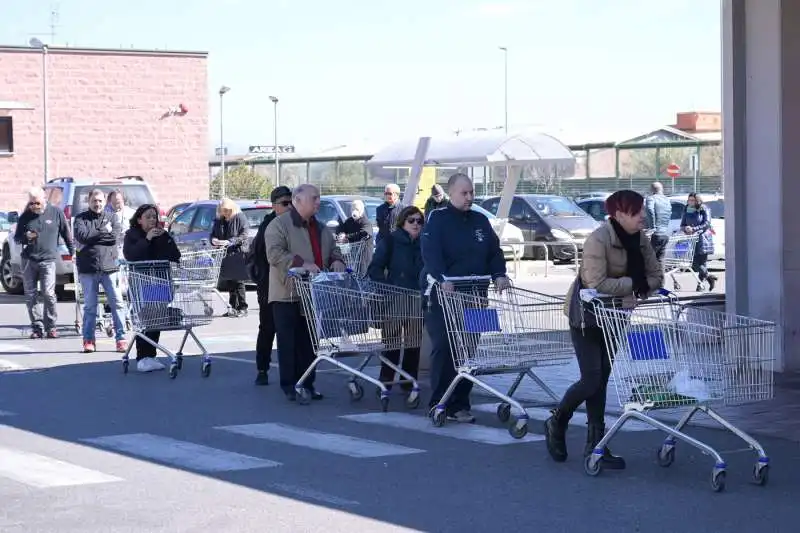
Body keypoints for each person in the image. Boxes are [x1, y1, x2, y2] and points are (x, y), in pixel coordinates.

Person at [545, 189, 664, 469]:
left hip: (615, 316)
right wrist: (634, 287)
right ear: (619, 215)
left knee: (602, 380)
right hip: (586, 315)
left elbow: (656, 275)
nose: (642, 217)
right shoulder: (598, 239)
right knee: (591, 379)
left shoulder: (641, 240)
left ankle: (596, 445)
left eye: (642, 211)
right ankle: (557, 420)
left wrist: (638, 288)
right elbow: (595, 282)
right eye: (636, 213)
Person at [421, 173, 511, 423]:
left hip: (476, 295)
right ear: (451, 193)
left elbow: (494, 251)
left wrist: (499, 275)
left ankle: (460, 402)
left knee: (469, 349)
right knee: (446, 348)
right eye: (464, 193)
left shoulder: (481, 220)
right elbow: (430, 253)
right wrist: (442, 278)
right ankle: (440, 402)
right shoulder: (437, 219)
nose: (469, 197)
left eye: (471, 192)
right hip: (444, 296)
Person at [264, 184, 347, 401]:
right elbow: (274, 254)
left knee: (309, 342)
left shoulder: (320, 228)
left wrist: (337, 260)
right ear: (297, 200)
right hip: (287, 293)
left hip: (314, 293)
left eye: (319, 198)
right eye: (315, 198)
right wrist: (302, 264)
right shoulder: (278, 225)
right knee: (288, 342)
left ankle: (308, 383)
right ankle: (290, 385)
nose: (319, 202)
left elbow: (333, 250)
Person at [367, 205, 425, 394]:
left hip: (416, 298)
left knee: (413, 344)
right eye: (411, 220)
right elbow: (375, 267)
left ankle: (409, 384)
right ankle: (386, 381)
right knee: (391, 344)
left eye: (419, 221)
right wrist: (386, 286)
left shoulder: (425, 243)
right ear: (402, 222)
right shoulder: (391, 241)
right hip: (394, 298)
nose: (416, 224)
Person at [122, 204, 181, 372]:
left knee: (157, 318)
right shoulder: (131, 235)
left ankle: (151, 355)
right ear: (139, 219)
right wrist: (147, 239)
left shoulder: (161, 234)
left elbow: (175, 255)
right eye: (148, 216)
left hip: (160, 281)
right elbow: (131, 255)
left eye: (154, 217)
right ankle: (142, 357)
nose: (152, 220)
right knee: (145, 318)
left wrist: (166, 238)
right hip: (142, 284)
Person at [13, 187, 74, 339]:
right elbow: (17, 238)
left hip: (48, 259)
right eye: (32, 203)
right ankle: (37, 326)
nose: (34, 206)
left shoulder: (56, 213)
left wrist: (73, 252)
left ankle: (51, 326)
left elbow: (66, 233)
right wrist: (25, 237)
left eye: (37, 203)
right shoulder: (26, 216)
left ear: (44, 199)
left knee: (48, 293)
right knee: (31, 295)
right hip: (29, 259)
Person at [248, 185, 293, 386]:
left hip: (290, 283)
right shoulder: (269, 226)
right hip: (268, 283)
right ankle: (262, 369)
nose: (289, 206)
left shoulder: (294, 223)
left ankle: (293, 372)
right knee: (268, 326)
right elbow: (267, 256)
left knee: (290, 329)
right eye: (285, 203)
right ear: (275, 206)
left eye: (292, 202)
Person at [73, 188, 128, 353]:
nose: (97, 204)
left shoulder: (112, 217)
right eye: (94, 201)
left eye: (100, 201)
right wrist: (103, 231)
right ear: (89, 202)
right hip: (88, 269)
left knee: (117, 303)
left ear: (105, 202)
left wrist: (93, 235)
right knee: (90, 306)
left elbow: (114, 238)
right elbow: (82, 236)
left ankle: (121, 339)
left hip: (110, 268)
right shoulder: (80, 219)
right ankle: (88, 340)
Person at [210, 198, 250, 317]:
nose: (225, 213)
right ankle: (232, 307)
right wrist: (213, 240)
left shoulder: (240, 217)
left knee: (238, 281)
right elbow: (213, 233)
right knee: (230, 281)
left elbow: (244, 234)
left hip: (237, 253)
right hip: (225, 254)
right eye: (223, 211)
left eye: (227, 210)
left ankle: (243, 307)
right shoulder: (219, 220)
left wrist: (230, 241)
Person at [680, 192, 718, 291]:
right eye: (689, 200)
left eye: (692, 200)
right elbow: (682, 224)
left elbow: (706, 223)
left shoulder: (704, 208)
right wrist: (686, 228)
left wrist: (694, 229)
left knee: (702, 262)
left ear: (697, 201)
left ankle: (700, 285)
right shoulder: (686, 209)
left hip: (703, 239)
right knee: (693, 262)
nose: (690, 202)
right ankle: (709, 277)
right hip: (691, 239)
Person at [335, 199, 374, 273]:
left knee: (362, 274)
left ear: (361, 210)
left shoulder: (365, 222)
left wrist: (347, 236)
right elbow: (340, 229)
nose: (354, 211)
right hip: (351, 255)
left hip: (363, 256)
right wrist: (340, 235)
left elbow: (364, 233)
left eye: (356, 209)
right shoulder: (349, 221)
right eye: (352, 209)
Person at [644, 181, 672, 261]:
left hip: (656, 234)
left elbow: (649, 209)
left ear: (651, 190)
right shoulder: (666, 199)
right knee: (660, 259)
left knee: (647, 259)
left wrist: (652, 227)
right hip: (665, 234)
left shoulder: (651, 198)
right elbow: (669, 212)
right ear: (661, 189)